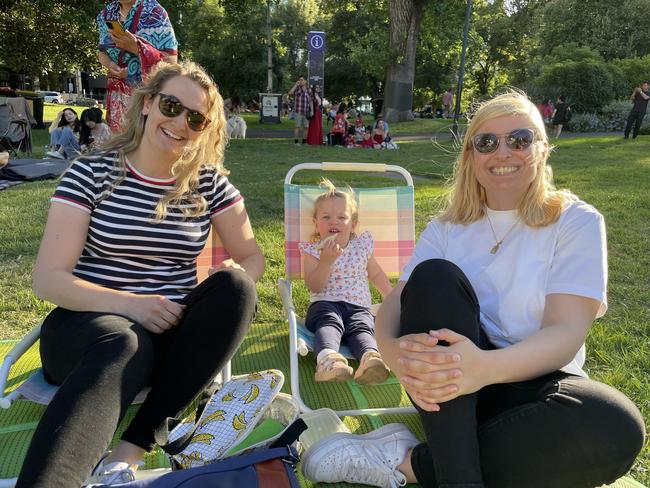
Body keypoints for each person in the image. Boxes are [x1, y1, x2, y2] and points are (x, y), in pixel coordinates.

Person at [301, 91, 645, 488]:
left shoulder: (575, 222)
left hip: (533, 381)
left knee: (613, 426)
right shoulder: (447, 229)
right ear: (470, 156)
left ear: (543, 148)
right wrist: (394, 355)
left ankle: (407, 461)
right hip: (447, 387)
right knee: (435, 277)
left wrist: (482, 368)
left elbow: (565, 333)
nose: (503, 152)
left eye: (520, 139)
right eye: (486, 142)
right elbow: (395, 305)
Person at [15, 61, 264, 488]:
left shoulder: (209, 185)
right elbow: (49, 279)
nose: (180, 122)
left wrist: (233, 269)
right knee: (124, 341)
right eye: (171, 105)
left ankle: (128, 452)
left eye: (196, 117)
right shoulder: (91, 172)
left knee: (237, 287)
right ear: (148, 104)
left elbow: (251, 256)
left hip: (168, 332)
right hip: (87, 329)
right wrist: (132, 306)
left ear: (205, 128)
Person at [299, 179, 392, 385]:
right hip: (325, 304)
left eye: (342, 217)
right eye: (326, 217)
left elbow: (375, 273)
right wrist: (326, 262)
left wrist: (391, 297)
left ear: (353, 224)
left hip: (358, 307)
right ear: (316, 223)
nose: (334, 222)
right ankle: (328, 361)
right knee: (329, 322)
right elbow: (314, 286)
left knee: (362, 327)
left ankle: (370, 359)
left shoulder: (361, 247)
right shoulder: (313, 251)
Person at [97, 0, 178, 132]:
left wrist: (137, 48)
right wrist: (111, 64)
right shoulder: (106, 14)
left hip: (146, 100)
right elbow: (102, 52)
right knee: (120, 147)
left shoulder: (155, 13)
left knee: (144, 147)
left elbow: (171, 62)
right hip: (117, 101)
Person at [288, 75, 312, 145]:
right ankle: (296, 142)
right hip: (298, 111)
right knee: (297, 126)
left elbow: (310, 101)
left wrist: (311, 111)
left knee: (306, 127)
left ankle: (304, 142)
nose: (300, 81)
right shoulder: (297, 88)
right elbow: (290, 93)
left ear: (305, 81)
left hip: (306, 111)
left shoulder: (309, 89)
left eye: (302, 80)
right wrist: (296, 85)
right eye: (300, 80)